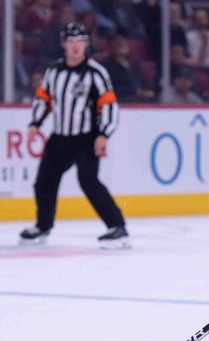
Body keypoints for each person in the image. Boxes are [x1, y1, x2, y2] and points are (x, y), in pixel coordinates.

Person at [20, 23, 130, 249]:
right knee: (44, 181)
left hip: (86, 137)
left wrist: (103, 134)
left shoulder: (95, 73)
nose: (75, 46)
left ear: (86, 44)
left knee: (88, 180)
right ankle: (43, 226)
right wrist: (35, 123)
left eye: (79, 41)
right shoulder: (54, 71)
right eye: (70, 42)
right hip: (60, 136)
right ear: (64, 44)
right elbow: (44, 98)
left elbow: (109, 105)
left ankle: (117, 227)